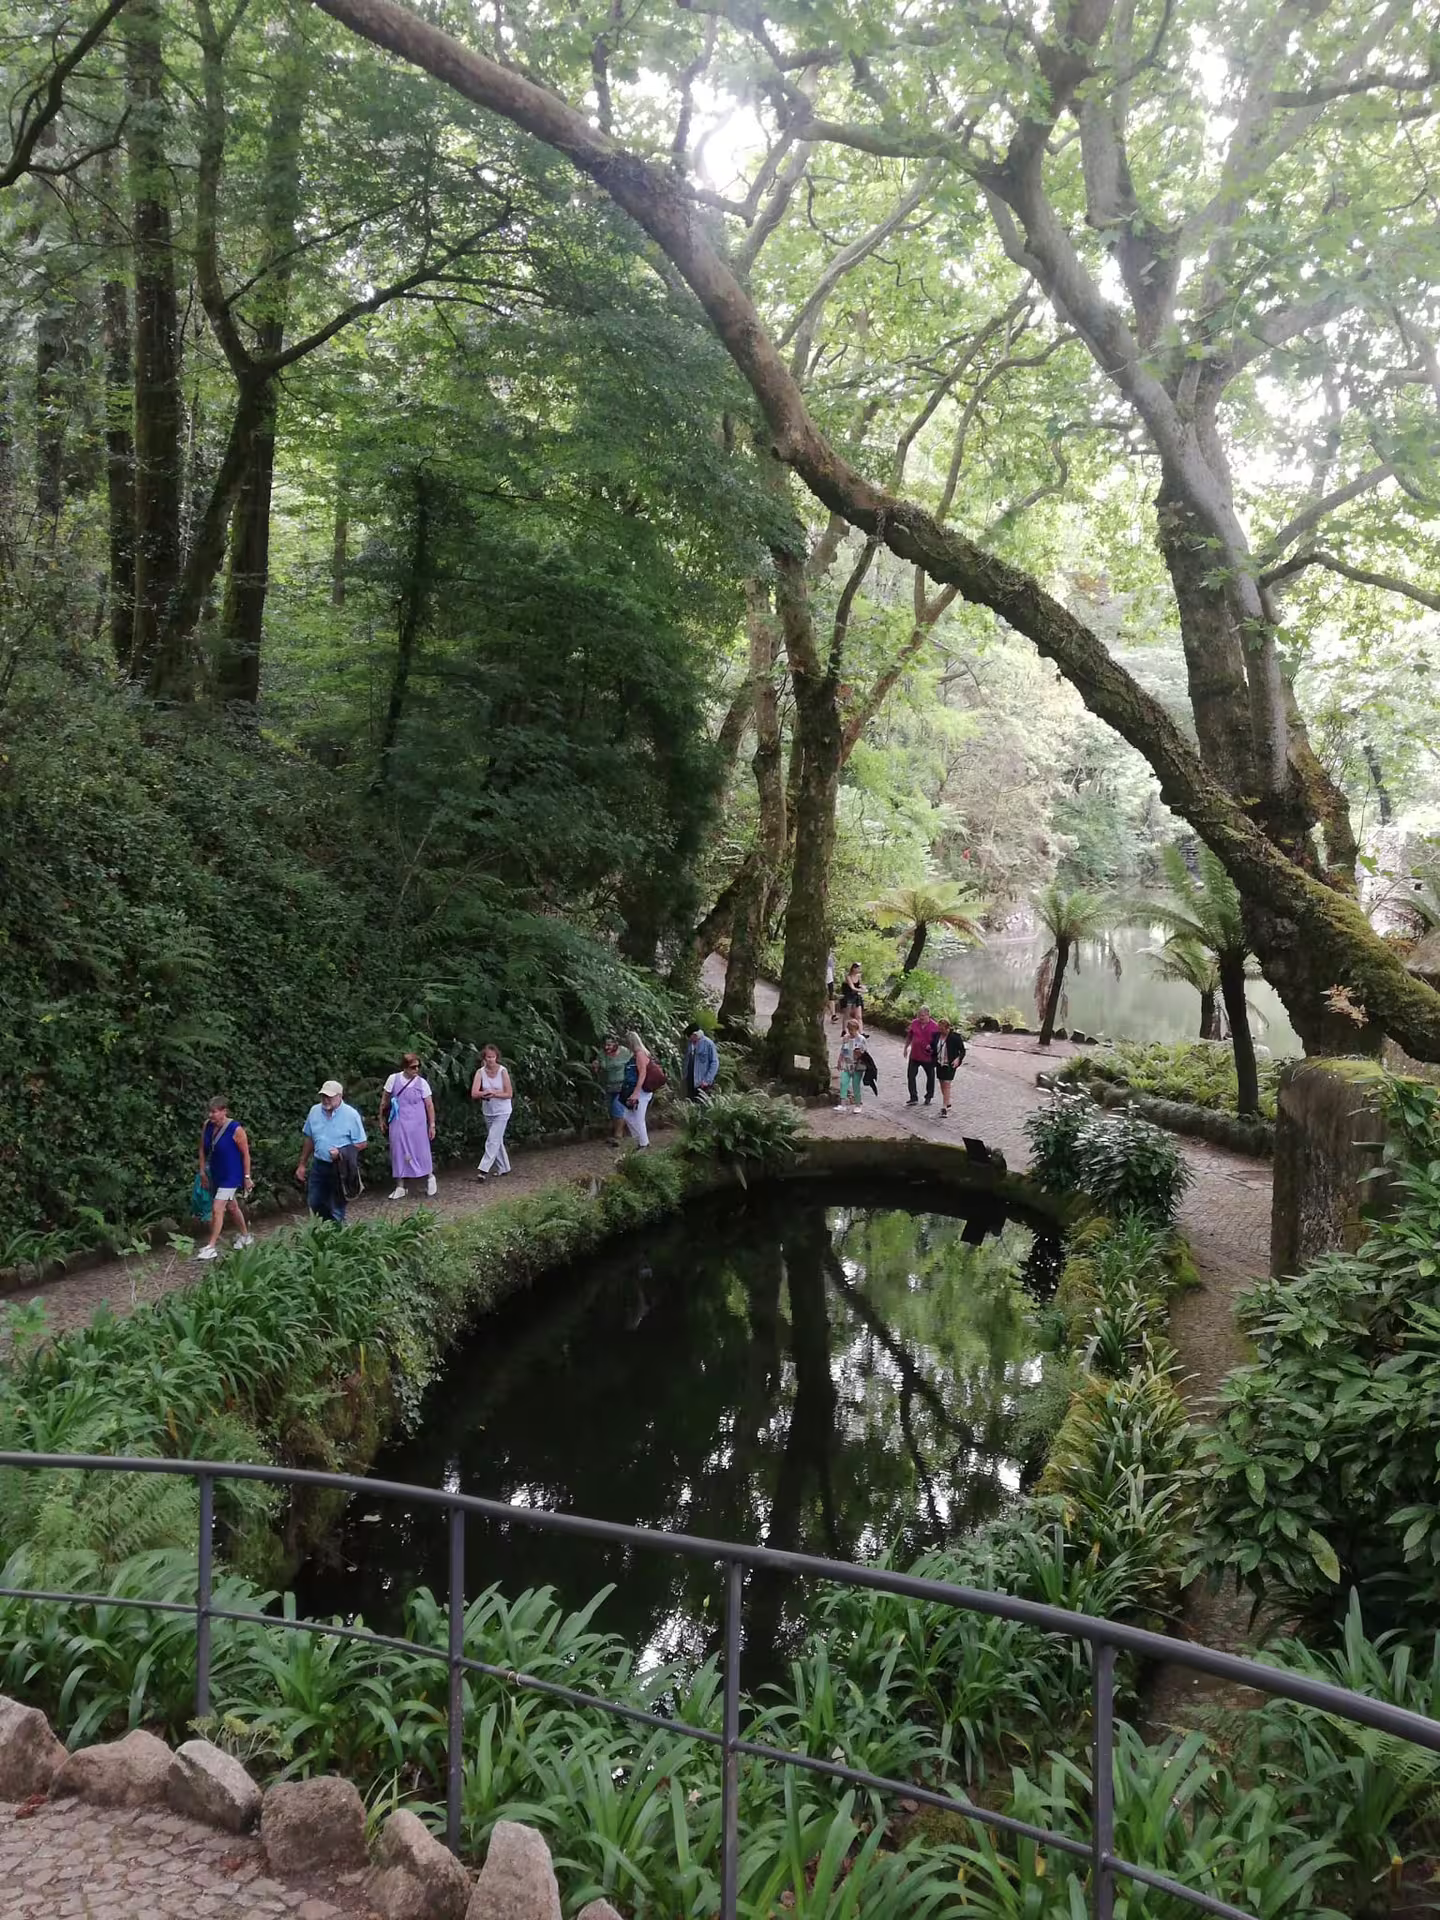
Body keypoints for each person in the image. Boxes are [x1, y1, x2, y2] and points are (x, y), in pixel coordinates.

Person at [296, 1078, 367, 1225]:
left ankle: (338, 1237)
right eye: (323, 1096)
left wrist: (341, 1152)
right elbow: (309, 1138)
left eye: (329, 1096)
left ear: (339, 1096)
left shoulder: (351, 1115)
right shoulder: (314, 1111)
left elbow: (362, 1143)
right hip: (319, 1165)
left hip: (340, 1168)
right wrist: (302, 1164)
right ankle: (331, 1229)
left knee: (336, 1207)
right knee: (314, 1202)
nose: (325, 1099)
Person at [196, 1096, 254, 1261]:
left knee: (217, 1207)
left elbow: (245, 1154)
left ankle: (211, 1246)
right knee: (232, 1207)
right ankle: (245, 1236)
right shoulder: (207, 1126)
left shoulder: (236, 1129)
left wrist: (247, 1176)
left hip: (231, 1175)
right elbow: (202, 1149)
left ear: (223, 1111)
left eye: (214, 1112)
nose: (211, 1115)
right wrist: (202, 1172)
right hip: (216, 1173)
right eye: (210, 1111)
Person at [380, 1052, 437, 1200]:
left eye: (418, 1067)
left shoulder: (422, 1083)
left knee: (421, 1149)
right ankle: (400, 1185)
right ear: (405, 1067)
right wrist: (381, 1119)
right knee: (398, 1151)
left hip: (417, 1122)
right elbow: (385, 1100)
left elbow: (429, 1104)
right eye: (413, 1067)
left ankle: (430, 1178)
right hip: (398, 1120)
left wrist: (432, 1124)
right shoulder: (393, 1079)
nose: (416, 1070)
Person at [471, 1044, 513, 1179]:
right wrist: (484, 1094)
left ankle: (483, 1169)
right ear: (484, 1058)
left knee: (492, 1139)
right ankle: (504, 1167)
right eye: (488, 1057)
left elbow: (509, 1093)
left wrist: (494, 1094)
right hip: (488, 1110)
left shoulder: (503, 1071)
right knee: (496, 1139)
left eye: (493, 1057)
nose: (490, 1060)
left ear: (497, 1057)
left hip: (503, 1110)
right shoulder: (480, 1072)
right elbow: (474, 1093)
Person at [619, 1029, 656, 1149]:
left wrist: (636, 1093)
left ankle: (643, 1144)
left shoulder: (640, 1054)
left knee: (638, 1118)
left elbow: (642, 1074)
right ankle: (640, 1139)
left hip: (642, 1091)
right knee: (628, 1115)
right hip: (636, 1089)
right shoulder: (635, 1054)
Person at [594, 1036, 634, 1145]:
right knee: (612, 1110)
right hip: (609, 1086)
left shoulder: (625, 1052)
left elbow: (635, 1064)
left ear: (616, 1043)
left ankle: (618, 1136)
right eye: (605, 1045)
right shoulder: (602, 1054)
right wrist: (596, 1066)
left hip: (623, 1086)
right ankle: (619, 1132)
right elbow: (599, 1066)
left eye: (609, 1045)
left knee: (618, 1108)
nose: (607, 1047)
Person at [904, 1004, 941, 1107]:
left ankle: (929, 1096)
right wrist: (906, 1048)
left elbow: (938, 1041)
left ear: (928, 1015)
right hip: (915, 1055)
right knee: (911, 1076)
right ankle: (913, 1097)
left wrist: (933, 1049)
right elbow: (910, 1035)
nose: (921, 1018)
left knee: (930, 1076)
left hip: (927, 1056)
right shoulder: (914, 1023)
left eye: (923, 1015)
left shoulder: (935, 1026)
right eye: (919, 1015)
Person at [934, 1017, 967, 1117]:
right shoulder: (936, 1036)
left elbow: (962, 1051)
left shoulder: (955, 1037)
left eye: (942, 1029)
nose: (940, 1030)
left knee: (947, 1083)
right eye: (939, 1028)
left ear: (947, 1028)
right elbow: (933, 1046)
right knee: (942, 1083)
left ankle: (944, 1108)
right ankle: (947, 1101)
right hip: (939, 1063)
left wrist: (958, 1059)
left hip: (950, 1064)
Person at [835, 1015, 866, 1113]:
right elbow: (843, 1050)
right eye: (849, 1030)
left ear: (856, 1029)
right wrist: (840, 1060)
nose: (851, 1032)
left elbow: (864, 1053)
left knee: (855, 1085)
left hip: (858, 1065)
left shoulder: (861, 1039)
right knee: (843, 1083)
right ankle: (843, 1104)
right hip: (847, 1064)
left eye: (852, 1030)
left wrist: (859, 1052)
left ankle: (858, 1105)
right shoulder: (846, 1038)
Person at [683, 1024, 719, 1102]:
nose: (689, 1039)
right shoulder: (690, 1044)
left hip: (702, 1082)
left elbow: (714, 1063)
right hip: (690, 1080)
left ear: (695, 1035)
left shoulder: (708, 1044)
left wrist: (707, 1080)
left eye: (690, 1037)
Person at [825, 950, 837, 1023]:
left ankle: (833, 1015)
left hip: (830, 979)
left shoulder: (831, 957)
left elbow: (832, 969)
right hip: (821, 979)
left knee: (831, 997)